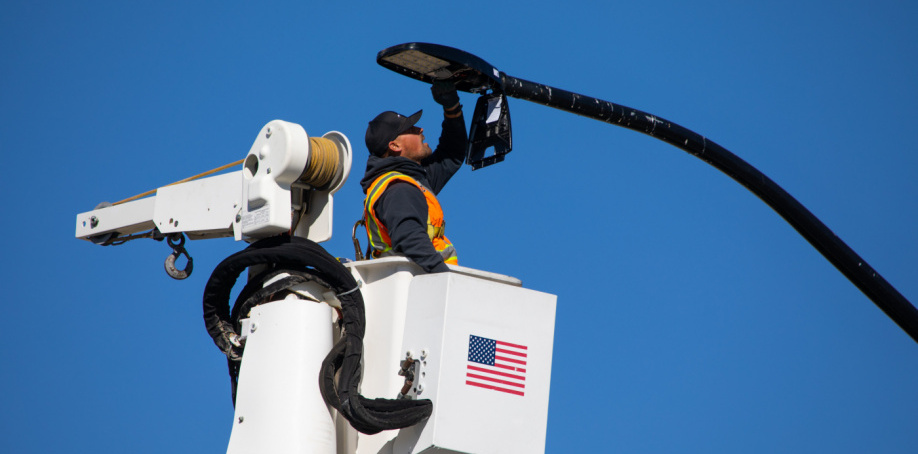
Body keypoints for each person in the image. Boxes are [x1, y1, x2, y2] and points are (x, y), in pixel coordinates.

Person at [360, 80, 467, 273]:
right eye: (411, 129)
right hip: (421, 285)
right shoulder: (399, 189)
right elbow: (409, 237)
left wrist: (452, 108)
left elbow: (451, 155)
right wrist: (444, 277)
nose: (420, 130)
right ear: (394, 146)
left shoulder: (414, 179)